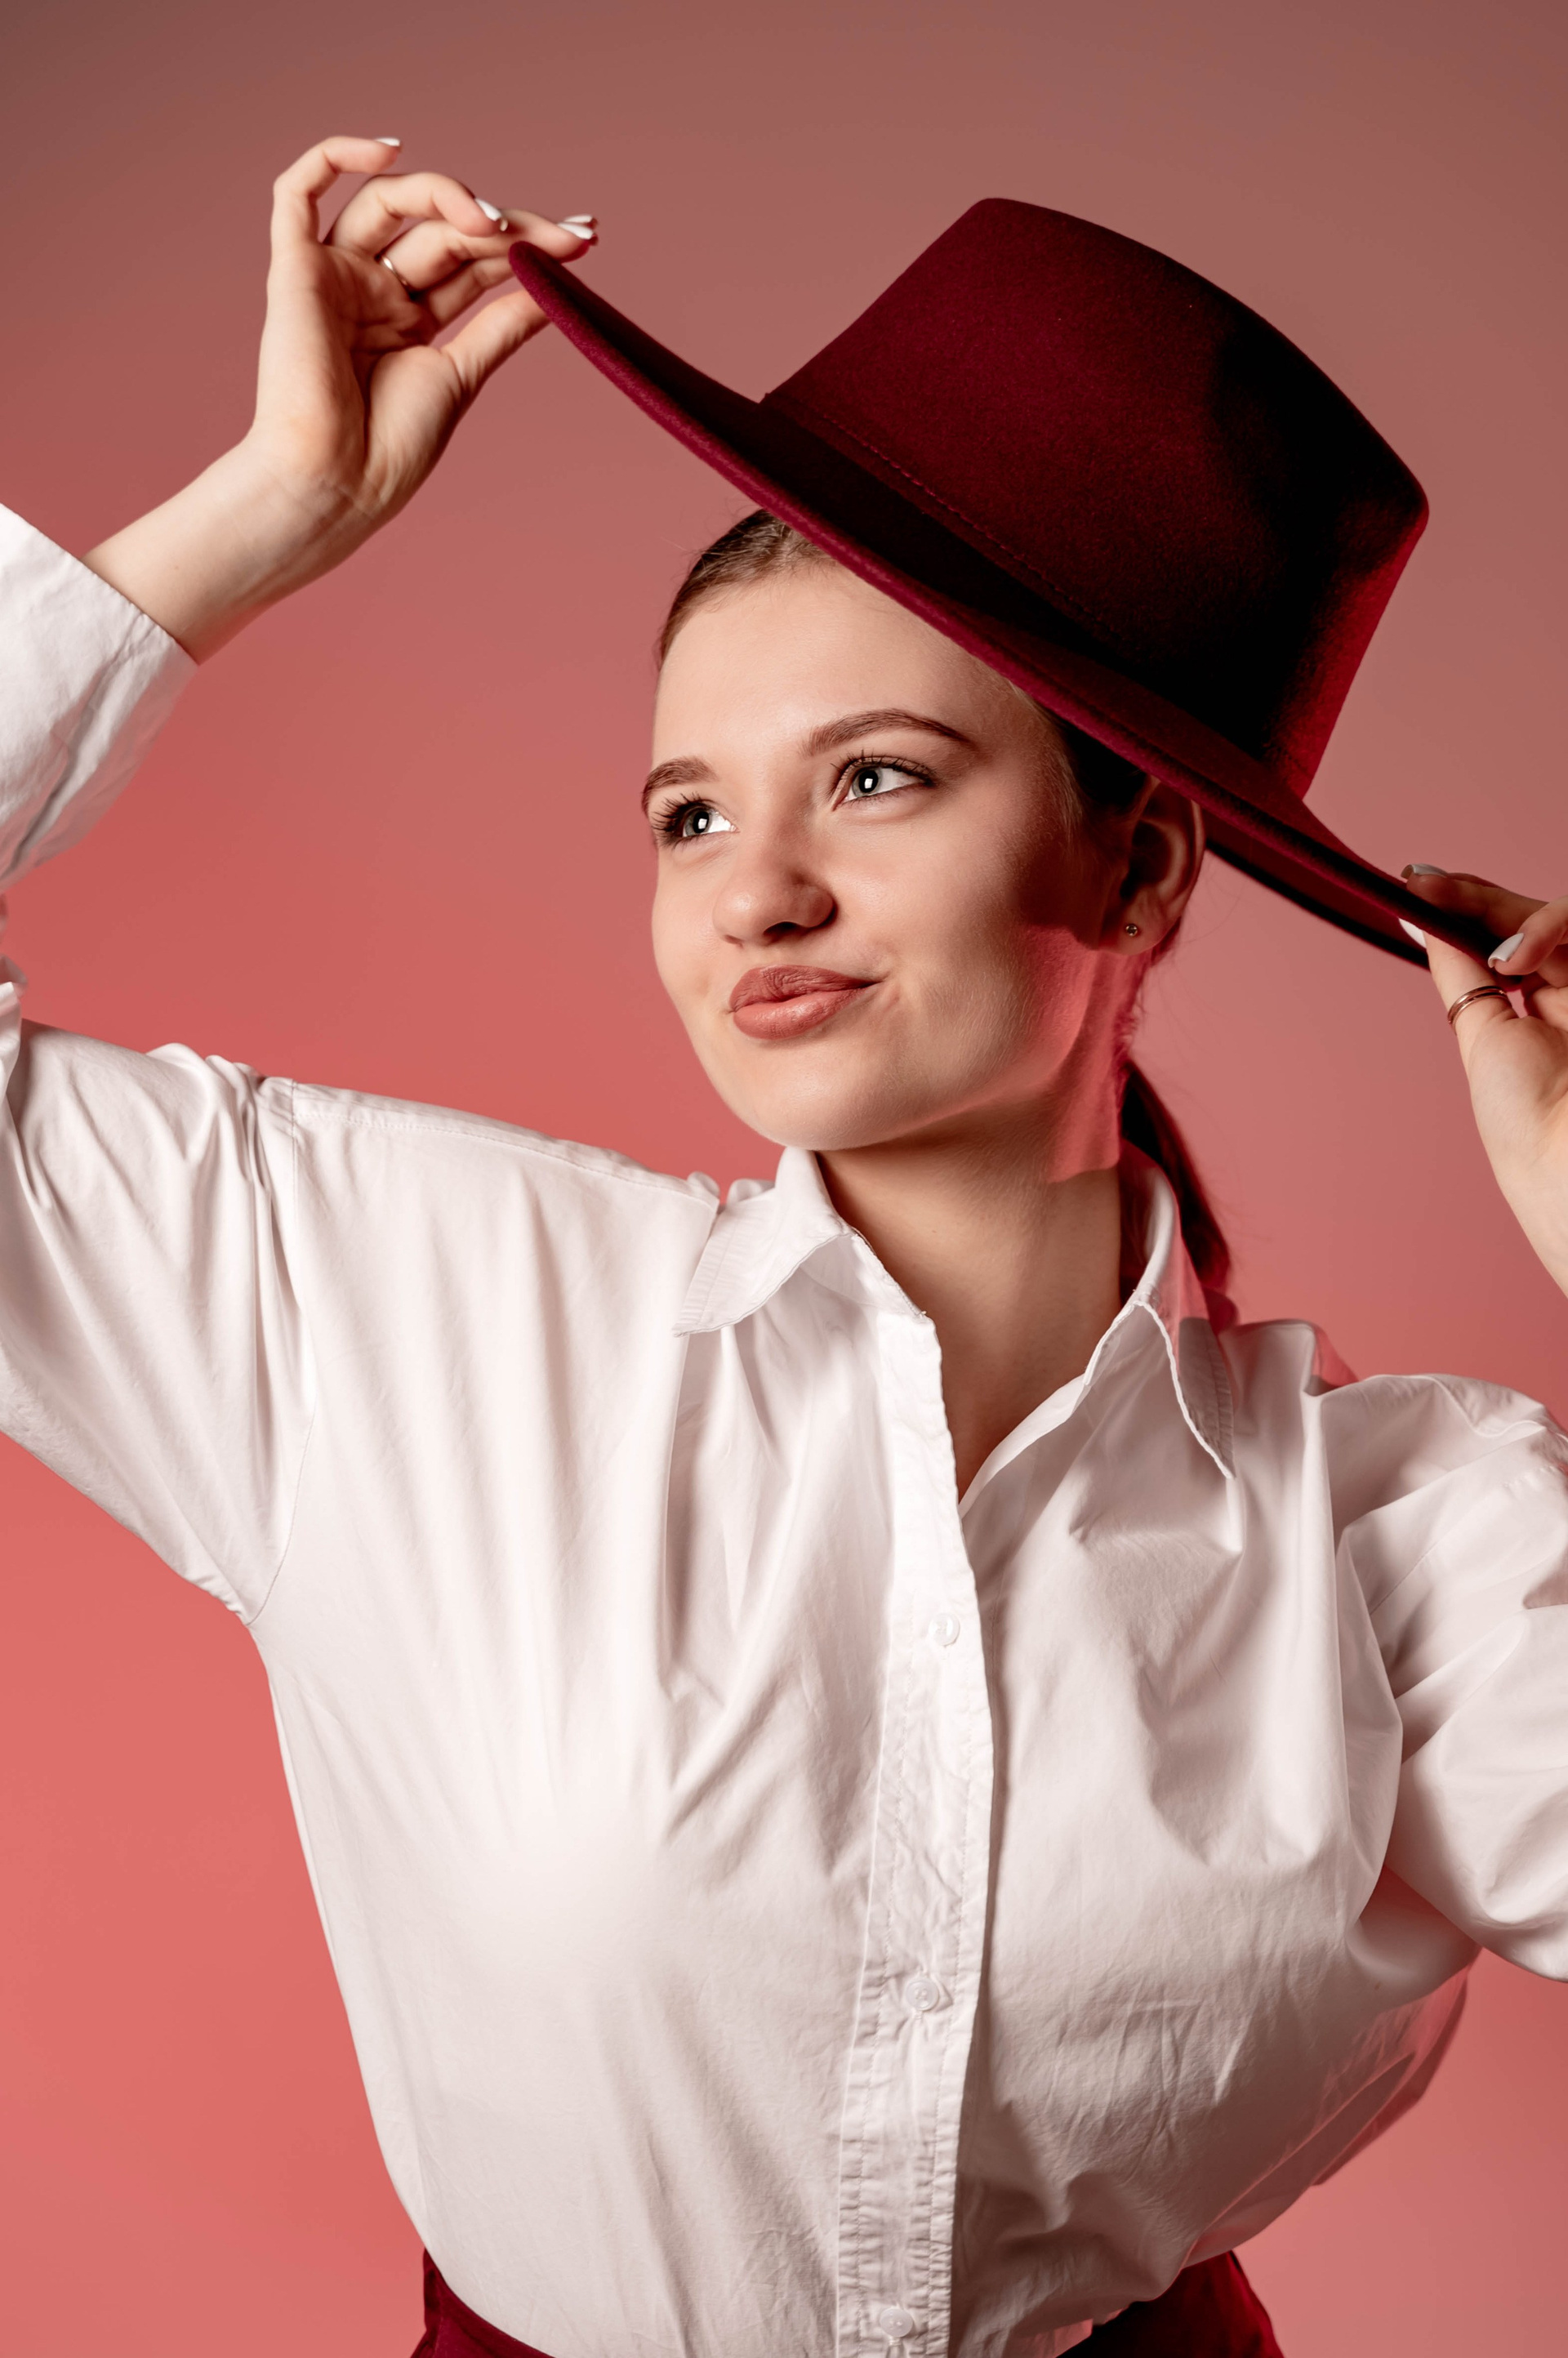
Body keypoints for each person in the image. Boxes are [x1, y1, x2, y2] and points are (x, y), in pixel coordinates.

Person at [2, 133, 1566, 2358]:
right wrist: (257, 516)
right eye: (689, 814)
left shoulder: (1411, 1543)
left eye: (880, 778)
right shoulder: (392, 1305)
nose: (756, 894)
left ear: (1142, 871)